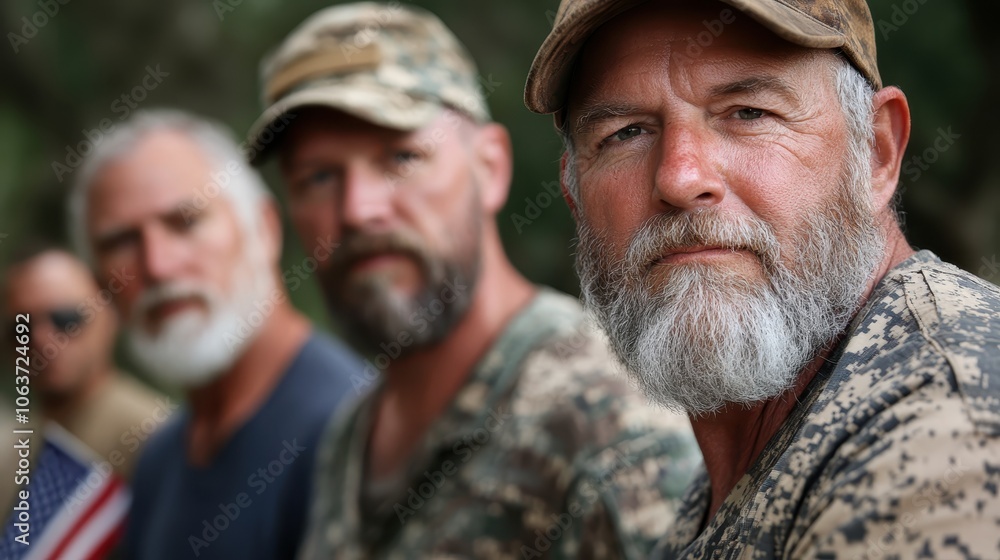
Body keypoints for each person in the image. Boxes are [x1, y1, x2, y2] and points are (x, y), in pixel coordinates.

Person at [524, 0, 1000, 557]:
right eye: (625, 132)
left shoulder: (947, 429)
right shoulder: (751, 459)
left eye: (748, 112)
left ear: (877, 151)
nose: (680, 178)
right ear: (575, 196)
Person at [247, 3, 701, 559]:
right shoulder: (350, 436)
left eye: (401, 157)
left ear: (490, 168)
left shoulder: (606, 424)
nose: (359, 209)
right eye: (318, 176)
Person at [67, 109, 365, 559]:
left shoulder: (350, 433)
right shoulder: (159, 459)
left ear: (263, 229)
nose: (158, 266)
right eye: (121, 242)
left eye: (185, 222)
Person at [2, 243, 166, 479]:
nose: (42, 339)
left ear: (110, 316)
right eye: (21, 328)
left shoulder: (156, 438)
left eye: (65, 319)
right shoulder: (11, 456)